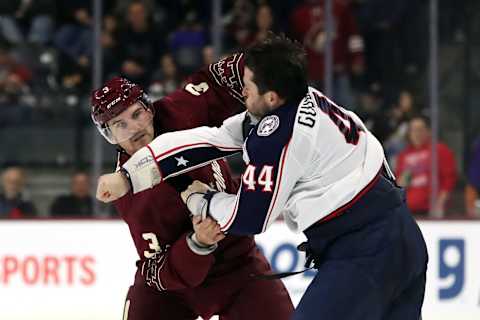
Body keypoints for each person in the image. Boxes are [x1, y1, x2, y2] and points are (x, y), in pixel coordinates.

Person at [97, 33, 428, 320]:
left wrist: (202, 200)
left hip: (364, 248)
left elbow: (251, 215)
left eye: (248, 86)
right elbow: (218, 138)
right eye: (119, 125)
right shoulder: (303, 98)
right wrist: (130, 176)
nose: (240, 94)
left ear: (270, 96)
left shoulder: (277, 134)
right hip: (398, 229)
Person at [90, 60, 293, 318]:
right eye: (120, 125)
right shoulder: (130, 196)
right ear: (110, 136)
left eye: (136, 114)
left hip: (238, 263)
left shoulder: (179, 111)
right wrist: (197, 244)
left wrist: (269, 62)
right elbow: (156, 269)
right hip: (171, 293)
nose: (135, 129)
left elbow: (219, 78)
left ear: (149, 109)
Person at [395, 115, 457, 217]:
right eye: (413, 130)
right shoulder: (403, 155)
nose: (416, 133)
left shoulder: (440, 150)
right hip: (408, 212)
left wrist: (440, 204)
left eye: (420, 129)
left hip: (431, 211)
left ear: (428, 131)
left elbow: (449, 180)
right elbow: (398, 185)